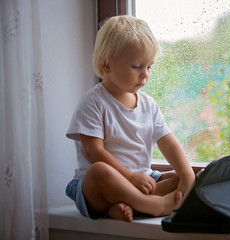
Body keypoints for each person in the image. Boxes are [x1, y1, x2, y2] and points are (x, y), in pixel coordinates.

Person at [65, 15, 195, 222]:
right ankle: (153, 205)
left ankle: (124, 206)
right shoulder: (93, 102)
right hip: (99, 187)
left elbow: (167, 141)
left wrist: (187, 176)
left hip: (144, 179)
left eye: (149, 66)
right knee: (99, 172)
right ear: (106, 65)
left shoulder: (148, 104)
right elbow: (93, 152)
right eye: (137, 67)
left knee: (185, 175)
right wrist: (131, 177)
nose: (145, 75)